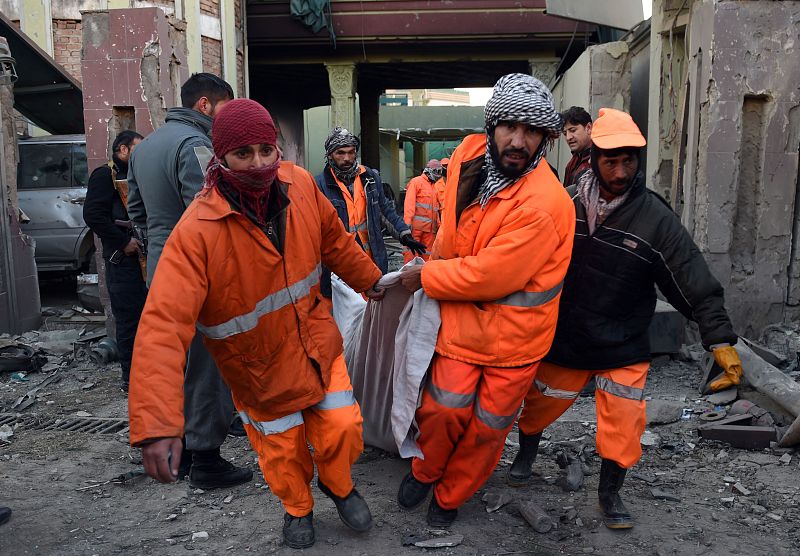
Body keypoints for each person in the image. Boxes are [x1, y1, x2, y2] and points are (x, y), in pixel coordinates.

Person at [128, 99, 384, 549]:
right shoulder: (197, 231)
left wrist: (373, 282)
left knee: (342, 426)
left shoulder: (301, 185)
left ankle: (340, 487)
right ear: (220, 157)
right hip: (257, 368)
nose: (258, 163)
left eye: (266, 150)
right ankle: (298, 509)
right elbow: (162, 327)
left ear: (277, 147)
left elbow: (335, 242)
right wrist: (157, 424)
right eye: (243, 153)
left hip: (317, 343)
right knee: (282, 450)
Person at [508, 108, 743, 530]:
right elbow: (521, 259)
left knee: (623, 425)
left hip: (623, 341)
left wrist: (719, 339)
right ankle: (527, 451)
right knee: (540, 404)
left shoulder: (655, 218)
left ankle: (610, 494)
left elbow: (692, 279)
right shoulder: (565, 204)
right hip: (566, 336)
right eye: (610, 160)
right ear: (594, 158)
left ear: (639, 159)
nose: (620, 170)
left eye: (629, 160)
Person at [396, 74, 575, 527]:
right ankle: (426, 470)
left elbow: (491, 275)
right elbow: (450, 228)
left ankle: (450, 497)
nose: (518, 141)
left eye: (531, 131)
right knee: (440, 409)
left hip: (514, 342)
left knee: (485, 429)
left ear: (545, 139)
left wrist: (427, 276)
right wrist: (433, 258)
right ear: (491, 126)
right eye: (510, 127)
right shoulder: (467, 155)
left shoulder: (544, 204)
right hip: (461, 324)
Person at [126, 73, 251, 489]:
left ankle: (176, 444)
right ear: (204, 105)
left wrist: (157, 250)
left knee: (171, 359)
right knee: (207, 363)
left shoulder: (144, 149)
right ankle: (206, 459)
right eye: (224, 108)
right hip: (196, 267)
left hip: (160, 264)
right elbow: (210, 211)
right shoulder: (195, 145)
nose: (226, 118)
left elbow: (137, 213)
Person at [316, 128, 425, 297]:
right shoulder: (320, 185)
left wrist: (404, 235)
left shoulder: (370, 177)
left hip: (372, 262)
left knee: (372, 316)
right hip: (340, 270)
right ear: (330, 155)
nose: (346, 158)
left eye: (351, 152)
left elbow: (385, 210)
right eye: (340, 153)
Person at [83, 130, 146, 392]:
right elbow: (94, 216)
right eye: (137, 149)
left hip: (141, 259)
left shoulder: (136, 174)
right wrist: (123, 242)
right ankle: (130, 380)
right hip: (122, 262)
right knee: (129, 321)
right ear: (122, 149)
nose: (141, 155)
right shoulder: (104, 176)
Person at [403, 159, 442, 262]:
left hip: (430, 231)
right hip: (416, 229)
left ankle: (424, 277)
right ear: (429, 170)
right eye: (437, 171)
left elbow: (436, 209)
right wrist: (407, 225)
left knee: (428, 257)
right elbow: (409, 204)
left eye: (440, 172)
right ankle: (409, 276)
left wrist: (439, 227)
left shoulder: (435, 187)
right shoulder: (416, 182)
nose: (438, 175)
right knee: (411, 255)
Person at [561, 106, 593, 187]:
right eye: (565, 133)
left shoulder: (599, 160)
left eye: (573, 130)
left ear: (588, 128)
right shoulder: (571, 164)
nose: (568, 137)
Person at [433, 157, 449, 222]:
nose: (446, 168)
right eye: (444, 166)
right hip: (443, 216)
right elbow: (435, 205)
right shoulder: (437, 185)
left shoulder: (456, 181)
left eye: (447, 166)